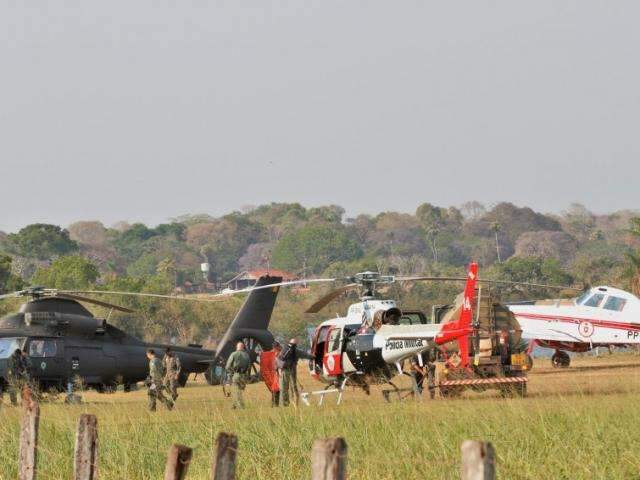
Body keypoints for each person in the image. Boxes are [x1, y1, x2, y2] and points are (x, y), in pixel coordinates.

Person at [277, 338, 308, 407]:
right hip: (285, 371)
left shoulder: (291, 352)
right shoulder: (283, 352)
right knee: (286, 389)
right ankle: (288, 404)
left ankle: (295, 405)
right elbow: (279, 363)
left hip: (291, 371)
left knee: (293, 389)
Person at [225, 342, 251, 409]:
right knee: (237, 391)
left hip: (236, 375)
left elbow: (227, 367)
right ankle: (233, 406)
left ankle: (242, 407)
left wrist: (231, 373)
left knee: (236, 392)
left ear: (237, 347)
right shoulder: (247, 355)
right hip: (244, 376)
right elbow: (249, 367)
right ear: (243, 347)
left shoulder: (233, 354)